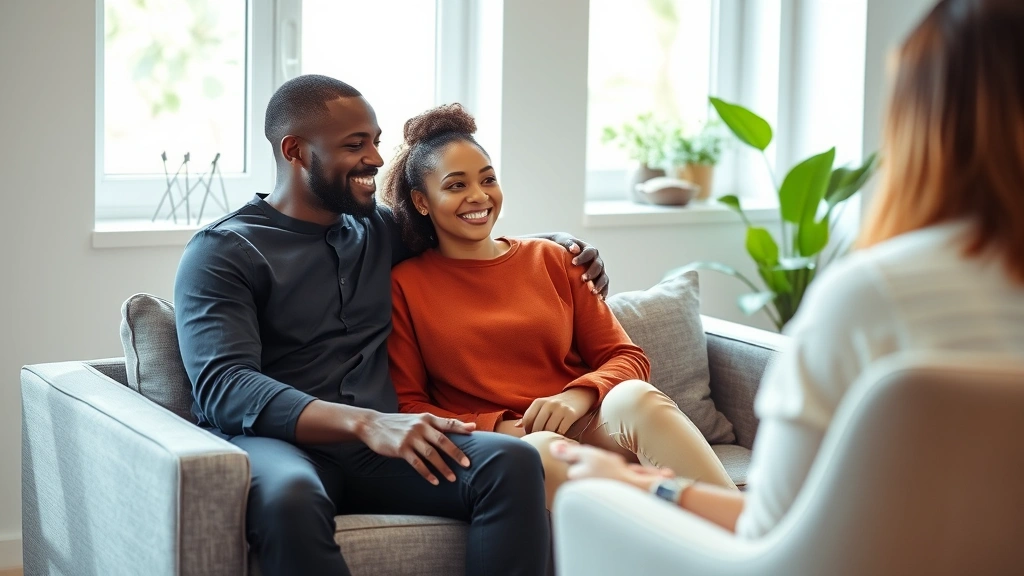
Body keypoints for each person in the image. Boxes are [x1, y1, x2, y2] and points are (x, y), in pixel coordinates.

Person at [550, 0, 1024, 539]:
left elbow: (771, 535)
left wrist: (640, 487)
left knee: (593, 506)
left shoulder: (871, 296)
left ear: (920, 120)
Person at [174, 74, 610, 576]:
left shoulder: (379, 229)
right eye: (354, 145)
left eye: (376, 142)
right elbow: (223, 386)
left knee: (510, 464)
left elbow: (473, 237)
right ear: (295, 150)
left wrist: (562, 245)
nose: (377, 160)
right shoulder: (222, 251)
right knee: (289, 497)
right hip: (282, 444)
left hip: (385, 445)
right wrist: (367, 422)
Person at [382, 104, 737, 510]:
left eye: (488, 179)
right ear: (422, 201)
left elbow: (626, 356)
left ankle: (743, 540)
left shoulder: (554, 258)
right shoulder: (405, 286)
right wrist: (499, 427)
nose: (478, 196)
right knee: (545, 449)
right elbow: (408, 404)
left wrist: (576, 397)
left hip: (589, 419)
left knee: (637, 397)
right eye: (456, 186)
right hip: (514, 442)